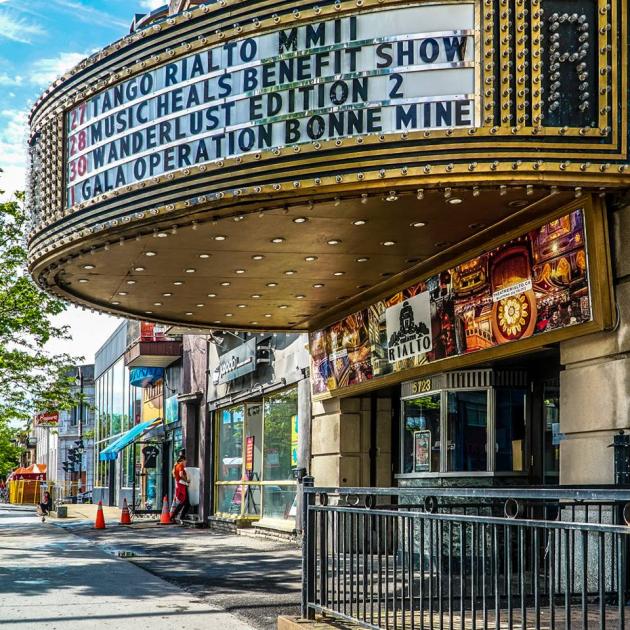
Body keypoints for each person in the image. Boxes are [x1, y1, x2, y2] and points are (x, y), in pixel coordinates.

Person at [169, 454, 190, 523]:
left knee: (184, 502)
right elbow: (181, 474)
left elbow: (176, 476)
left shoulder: (176, 466)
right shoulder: (180, 465)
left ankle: (175, 517)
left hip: (179, 485)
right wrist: (186, 480)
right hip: (182, 485)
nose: (186, 462)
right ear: (182, 460)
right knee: (185, 502)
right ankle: (177, 517)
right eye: (185, 460)